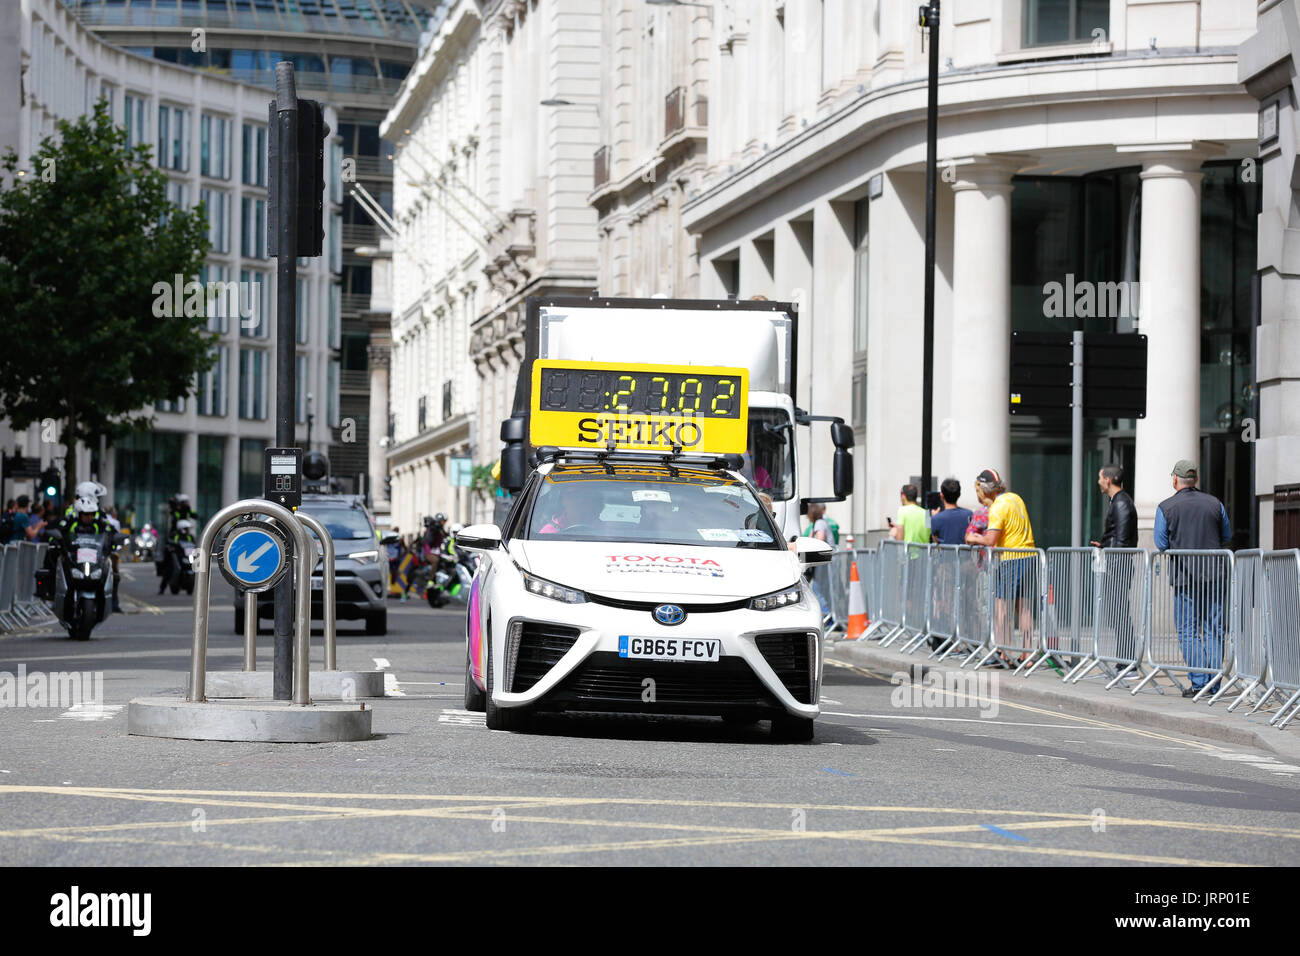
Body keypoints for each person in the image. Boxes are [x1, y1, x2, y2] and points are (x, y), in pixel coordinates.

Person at [1154, 459, 1232, 698]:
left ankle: (1199, 683)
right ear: (1196, 479)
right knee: (1213, 629)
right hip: (1215, 574)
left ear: (1175, 479)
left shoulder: (1166, 507)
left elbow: (1161, 543)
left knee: (1188, 630)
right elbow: (1226, 535)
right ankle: (1214, 685)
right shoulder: (1215, 503)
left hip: (1185, 577)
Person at [965, 468, 1036, 662]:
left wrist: (974, 537)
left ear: (986, 490)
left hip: (1010, 558)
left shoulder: (998, 507)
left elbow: (990, 540)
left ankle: (1004, 653)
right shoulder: (1015, 498)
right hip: (1029, 555)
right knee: (1024, 607)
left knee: (1001, 607)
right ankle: (1027, 654)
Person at [1090, 464, 1139, 665]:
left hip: (1118, 566)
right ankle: (1124, 660)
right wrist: (1104, 544)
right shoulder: (1118, 501)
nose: (1099, 481)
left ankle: (1126, 662)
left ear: (1108, 480)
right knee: (1117, 614)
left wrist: (1112, 562)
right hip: (1115, 562)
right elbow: (1118, 535)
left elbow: (1122, 538)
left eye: (1100, 478)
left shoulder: (1121, 503)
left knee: (1120, 614)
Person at [929, 478, 973, 546]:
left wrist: (934, 517)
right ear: (959, 494)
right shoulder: (969, 514)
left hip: (945, 556)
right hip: (965, 555)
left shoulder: (936, 518)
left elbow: (935, 541)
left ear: (941, 495)